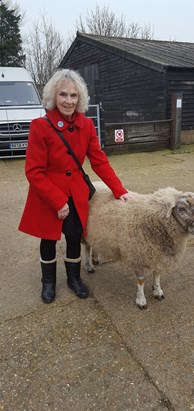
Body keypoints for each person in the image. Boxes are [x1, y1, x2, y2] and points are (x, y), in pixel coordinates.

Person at [18, 68, 131, 304]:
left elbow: (99, 160)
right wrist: (57, 201)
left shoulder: (86, 125)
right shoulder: (40, 126)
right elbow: (33, 171)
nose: (68, 101)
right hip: (47, 193)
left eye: (73, 95)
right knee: (48, 239)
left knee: (73, 237)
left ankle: (74, 279)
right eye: (63, 95)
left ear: (80, 98)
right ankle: (48, 283)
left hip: (76, 193)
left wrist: (119, 190)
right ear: (53, 97)